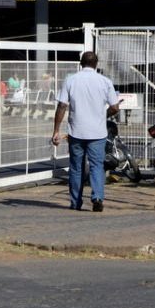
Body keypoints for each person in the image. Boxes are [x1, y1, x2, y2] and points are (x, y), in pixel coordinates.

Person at [51, 51, 120, 212]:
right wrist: (103, 115)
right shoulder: (105, 81)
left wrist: (56, 131)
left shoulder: (71, 80)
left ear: (81, 63)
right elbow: (115, 107)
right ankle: (97, 197)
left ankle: (76, 202)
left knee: (76, 167)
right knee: (97, 166)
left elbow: (62, 106)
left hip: (76, 132)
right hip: (98, 132)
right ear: (96, 64)